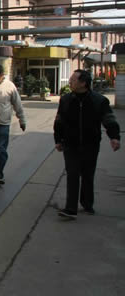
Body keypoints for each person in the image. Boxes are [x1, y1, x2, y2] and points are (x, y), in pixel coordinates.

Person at [53, 69, 120, 219]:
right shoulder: (66, 100)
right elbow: (59, 121)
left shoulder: (99, 101)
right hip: (71, 144)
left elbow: (109, 119)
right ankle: (71, 209)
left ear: (83, 83)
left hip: (91, 144)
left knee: (88, 175)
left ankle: (87, 204)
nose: (70, 82)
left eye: (73, 80)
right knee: (72, 174)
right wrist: (58, 139)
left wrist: (114, 137)